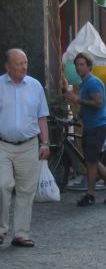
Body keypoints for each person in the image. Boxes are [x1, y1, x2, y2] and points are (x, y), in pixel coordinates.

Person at [0, 49, 50, 247]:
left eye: (26, 62)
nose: (24, 66)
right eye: (19, 63)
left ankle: (20, 234)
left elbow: (42, 117)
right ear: (7, 66)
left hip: (29, 145)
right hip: (3, 144)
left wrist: (45, 143)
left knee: (26, 190)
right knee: (2, 185)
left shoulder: (35, 86)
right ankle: (1, 229)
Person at [64, 53, 106, 206]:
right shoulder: (84, 84)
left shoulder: (93, 83)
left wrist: (78, 100)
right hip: (90, 126)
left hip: (97, 126)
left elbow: (97, 103)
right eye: (77, 65)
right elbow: (86, 106)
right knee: (92, 161)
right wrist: (76, 119)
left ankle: (90, 194)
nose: (78, 67)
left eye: (82, 64)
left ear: (89, 66)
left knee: (91, 161)